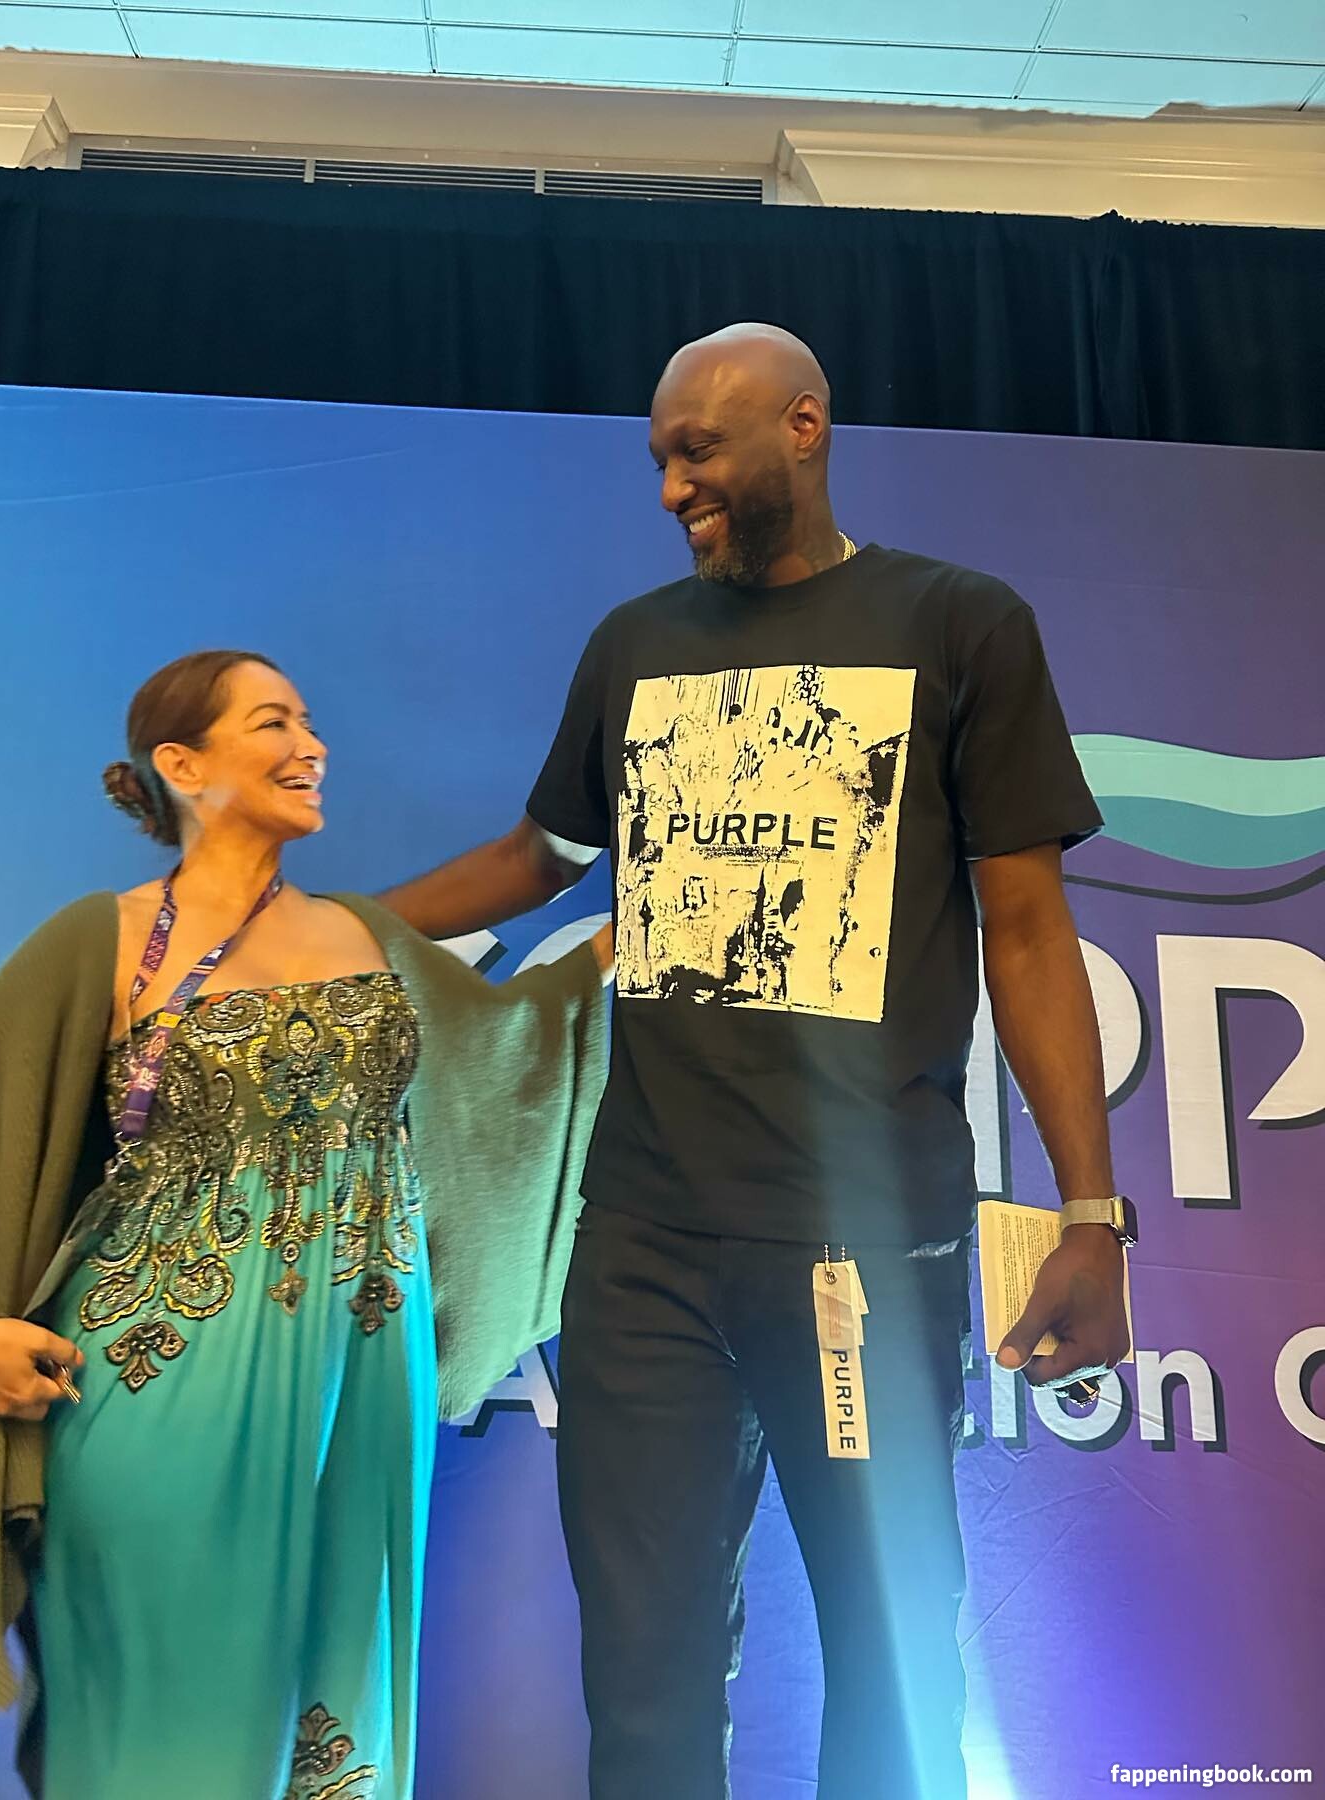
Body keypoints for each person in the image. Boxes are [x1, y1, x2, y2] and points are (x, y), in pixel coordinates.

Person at [379, 324, 1131, 1799]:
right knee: (643, 1671)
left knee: (894, 1657)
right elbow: (542, 856)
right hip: (643, 1248)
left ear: (804, 425)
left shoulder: (960, 624)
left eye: (698, 450)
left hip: (865, 1249)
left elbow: (1031, 931)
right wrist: (330, 929)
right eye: (660, 459)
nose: (672, 487)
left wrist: (1093, 1215)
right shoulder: (635, 644)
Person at [0, 648, 611, 1800]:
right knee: (173, 1740)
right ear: (182, 765)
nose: (310, 744)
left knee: (336, 1723)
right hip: (158, 1379)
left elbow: (527, 1046)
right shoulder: (103, 938)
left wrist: (666, 913)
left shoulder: (368, 937)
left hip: (361, 1392)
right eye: (272, 722)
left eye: (309, 722)